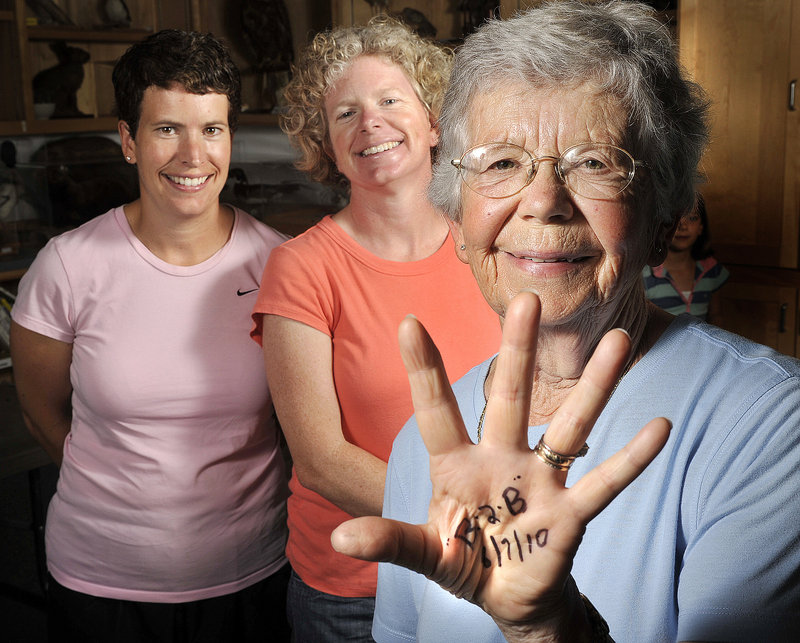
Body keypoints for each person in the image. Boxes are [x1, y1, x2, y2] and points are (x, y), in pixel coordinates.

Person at [329, 2, 800, 642]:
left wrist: (548, 626)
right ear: (460, 226)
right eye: (500, 163)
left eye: (595, 162)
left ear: (663, 222)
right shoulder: (428, 441)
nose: (545, 202)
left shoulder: (770, 421)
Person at [10, 30, 291, 642]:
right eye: (167, 129)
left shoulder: (281, 265)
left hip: (252, 575)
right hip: (101, 583)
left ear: (230, 138)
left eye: (211, 129)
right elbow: (39, 413)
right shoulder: (67, 266)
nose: (193, 155)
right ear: (128, 141)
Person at [250, 16, 501, 641]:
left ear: (436, 120)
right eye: (345, 114)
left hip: (491, 569)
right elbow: (322, 462)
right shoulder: (301, 267)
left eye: (391, 100)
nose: (371, 123)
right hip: (357, 586)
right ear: (326, 147)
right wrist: (474, 526)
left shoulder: (492, 244)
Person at [643, 193, 729, 320]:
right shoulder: (644, 273)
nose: (683, 226)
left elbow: (716, 316)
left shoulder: (711, 270)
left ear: (701, 227)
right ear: (660, 225)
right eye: (674, 219)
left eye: (692, 218)